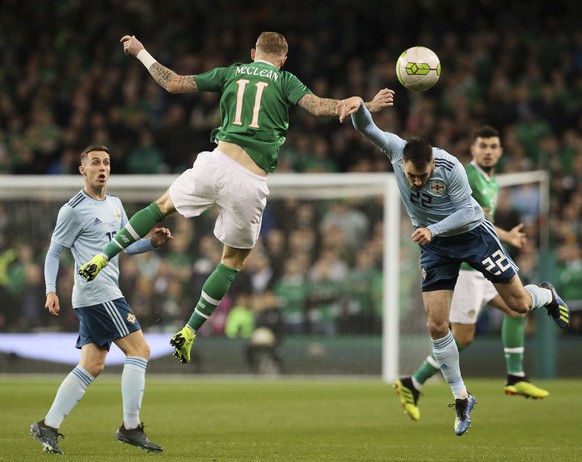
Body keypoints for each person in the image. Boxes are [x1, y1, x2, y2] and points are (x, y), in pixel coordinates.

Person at [78, 32, 392, 364]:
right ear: (283, 60)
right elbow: (320, 107)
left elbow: (172, 83)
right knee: (231, 261)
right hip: (250, 181)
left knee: (161, 207)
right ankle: (189, 331)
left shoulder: (231, 72)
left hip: (216, 162)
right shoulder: (286, 80)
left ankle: (103, 256)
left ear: (253, 52)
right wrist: (366, 105)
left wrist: (141, 52)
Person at [338, 92, 570, 436]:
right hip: (436, 248)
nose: (417, 182)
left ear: (432, 163)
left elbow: (465, 213)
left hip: (473, 235)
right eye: (412, 176)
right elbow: (366, 127)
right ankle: (462, 398)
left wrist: (432, 228)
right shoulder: (395, 149)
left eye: (423, 176)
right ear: (403, 162)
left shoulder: (450, 168)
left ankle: (547, 295)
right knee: (435, 325)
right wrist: (358, 105)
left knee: (519, 304)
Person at [394, 125, 550, 424]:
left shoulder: (492, 181)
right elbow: (473, 214)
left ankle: (515, 375)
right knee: (461, 336)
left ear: (501, 151)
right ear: (473, 149)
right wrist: (506, 235)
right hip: (465, 266)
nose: (489, 151)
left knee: (517, 308)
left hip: (479, 263)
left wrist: (504, 237)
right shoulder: (466, 174)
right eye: (483, 146)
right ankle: (413, 382)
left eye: (494, 146)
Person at [30, 145, 173, 454]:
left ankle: (48, 425)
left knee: (93, 364)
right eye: (95, 162)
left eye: (106, 162)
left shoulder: (116, 204)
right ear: (83, 169)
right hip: (97, 292)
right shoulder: (73, 209)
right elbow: (54, 252)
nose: (102, 167)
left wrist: (152, 243)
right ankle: (130, 427)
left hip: (102, 293)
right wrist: (50, 289)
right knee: (140, 351)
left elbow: (123, 247)